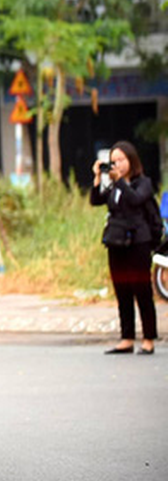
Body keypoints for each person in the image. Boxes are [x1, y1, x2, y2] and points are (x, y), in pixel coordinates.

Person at [91, 141, 158, 355]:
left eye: (121, 160)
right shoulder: (113, 185)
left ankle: (148, 338)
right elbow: (96, 200)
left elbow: (136, 199)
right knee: (122, 290)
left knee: (142, 290)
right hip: (116, 242)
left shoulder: (143, 183)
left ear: (131, 160)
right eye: (113, 161)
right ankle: (127, 337)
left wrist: (120, 181)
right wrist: (98, 178)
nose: (117, 164)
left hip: (138, 242)